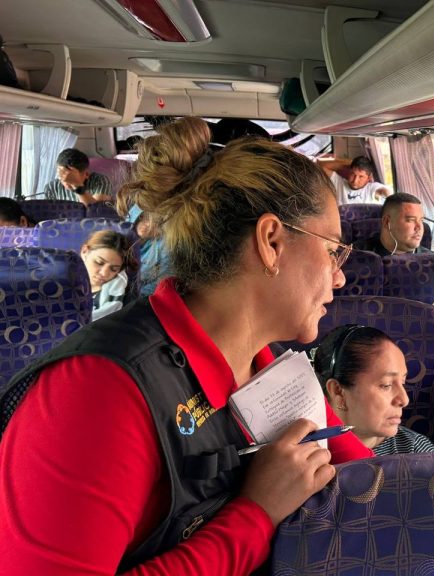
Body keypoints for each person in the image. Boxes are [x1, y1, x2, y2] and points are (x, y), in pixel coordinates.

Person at [0, 117, 374, 574]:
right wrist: (256, 515)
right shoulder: (97, 392)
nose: (339, 276)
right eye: (332, 250)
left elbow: (370, 487)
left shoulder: (269, 366)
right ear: (272, 241)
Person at [314, 324, 434, 455]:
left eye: (403, 382)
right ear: (338, 391)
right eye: (386, 385)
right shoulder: (303, 454)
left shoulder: (418, 452)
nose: (404, 400)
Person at [80, 229, 136, 321]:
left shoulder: (123, 297)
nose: (104, 273)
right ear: (84, 251)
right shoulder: (61, 281)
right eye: (99, 262)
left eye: (113, 269)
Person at [43, 148, 112, 206]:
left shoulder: (100, 181)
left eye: (70, 177)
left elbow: (96, 211)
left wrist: (77, 186)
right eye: (61, 176)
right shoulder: (52, 187)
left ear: (86, 174)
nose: (66, 182)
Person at [320, 155, 392, 205]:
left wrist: (391, 200)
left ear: (369, 178)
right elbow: (320, 166)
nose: (355, 181)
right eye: (353, 174)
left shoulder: (371, 188)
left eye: (361, 177)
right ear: (349, 171)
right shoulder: (339, 182)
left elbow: (384, 191)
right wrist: (348, 163)